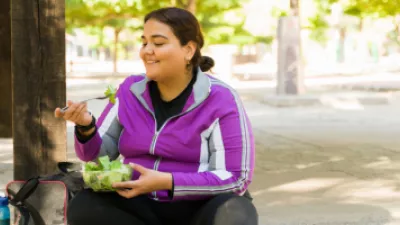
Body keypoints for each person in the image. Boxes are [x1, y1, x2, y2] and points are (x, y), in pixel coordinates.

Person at [55, 7, 257, 225]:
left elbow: (235, 177)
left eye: (158, 43)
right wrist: (86, 127)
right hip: (137, 202)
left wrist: (168, 182)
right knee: (85, 206)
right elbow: (97, 157)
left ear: (188, 50)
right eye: (144, 43)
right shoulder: (130, 90)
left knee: (235, 212)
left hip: (197, 205)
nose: (146, 51)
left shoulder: (220, 99)